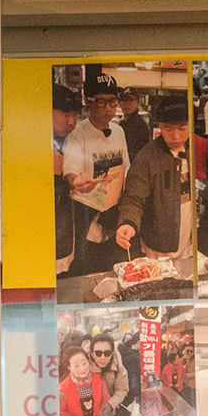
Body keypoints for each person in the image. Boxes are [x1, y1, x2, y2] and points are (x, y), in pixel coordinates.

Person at [60, 72, 130, 278]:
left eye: (113, 102)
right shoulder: (77, 134)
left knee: (112, 266)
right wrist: (76, 181)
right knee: (83, 265)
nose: (109, 108)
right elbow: (70, 170)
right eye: (102, 102)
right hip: (86, 213)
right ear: (89, 102)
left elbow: (126, 166)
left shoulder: (119, 132)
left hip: (114, 209)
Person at [114, 96, 192, 265]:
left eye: (182, 128)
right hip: (159, 245)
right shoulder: (146, 157)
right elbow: (134, 197)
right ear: (159, 127)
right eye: (168, 129)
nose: (176, 136)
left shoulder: (196, 150)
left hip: (191, 241)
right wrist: (128, 223)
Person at [51, 85, 81, 276]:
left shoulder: (68, 141)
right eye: (65, 114)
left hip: (64, 238)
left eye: (75, 115)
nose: (72, 121)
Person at [88, 334, 135, 416]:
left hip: (111, 412)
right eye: (98, 353)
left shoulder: (119, 369)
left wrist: (111, 404)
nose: (102, 357)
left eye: (107, 353)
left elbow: (122, 390)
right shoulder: (84, 368)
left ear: (112, 353)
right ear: (92, 353)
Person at [59, 348, 109, 416]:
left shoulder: (98, 379)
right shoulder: (63, 387)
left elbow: (106, 401)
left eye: (84, 363)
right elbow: (61, 412)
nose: (82, 369)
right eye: (76, 366)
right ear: (69, 367)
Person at [116, 90, 152, 158]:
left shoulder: (140, 126)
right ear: (119, 103)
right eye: (124, 100)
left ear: (137, 103)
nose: (127, 104)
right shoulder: (121, 124)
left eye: (131, 101)